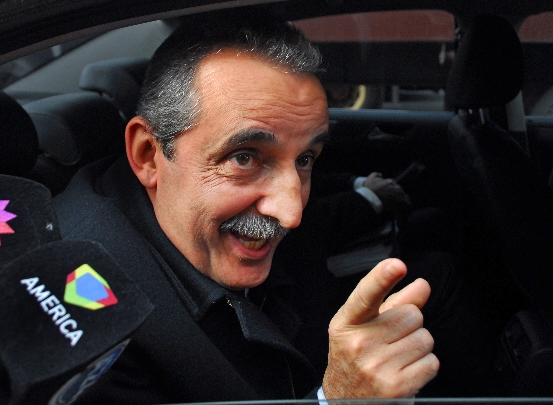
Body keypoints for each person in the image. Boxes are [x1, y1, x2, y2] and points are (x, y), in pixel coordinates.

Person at [53, 10, 487, 403]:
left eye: (305, 160)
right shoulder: (86, 329)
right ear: (148, 155)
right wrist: (337, 400)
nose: (291, 213)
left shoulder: (184, 218)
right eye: (245, 158)